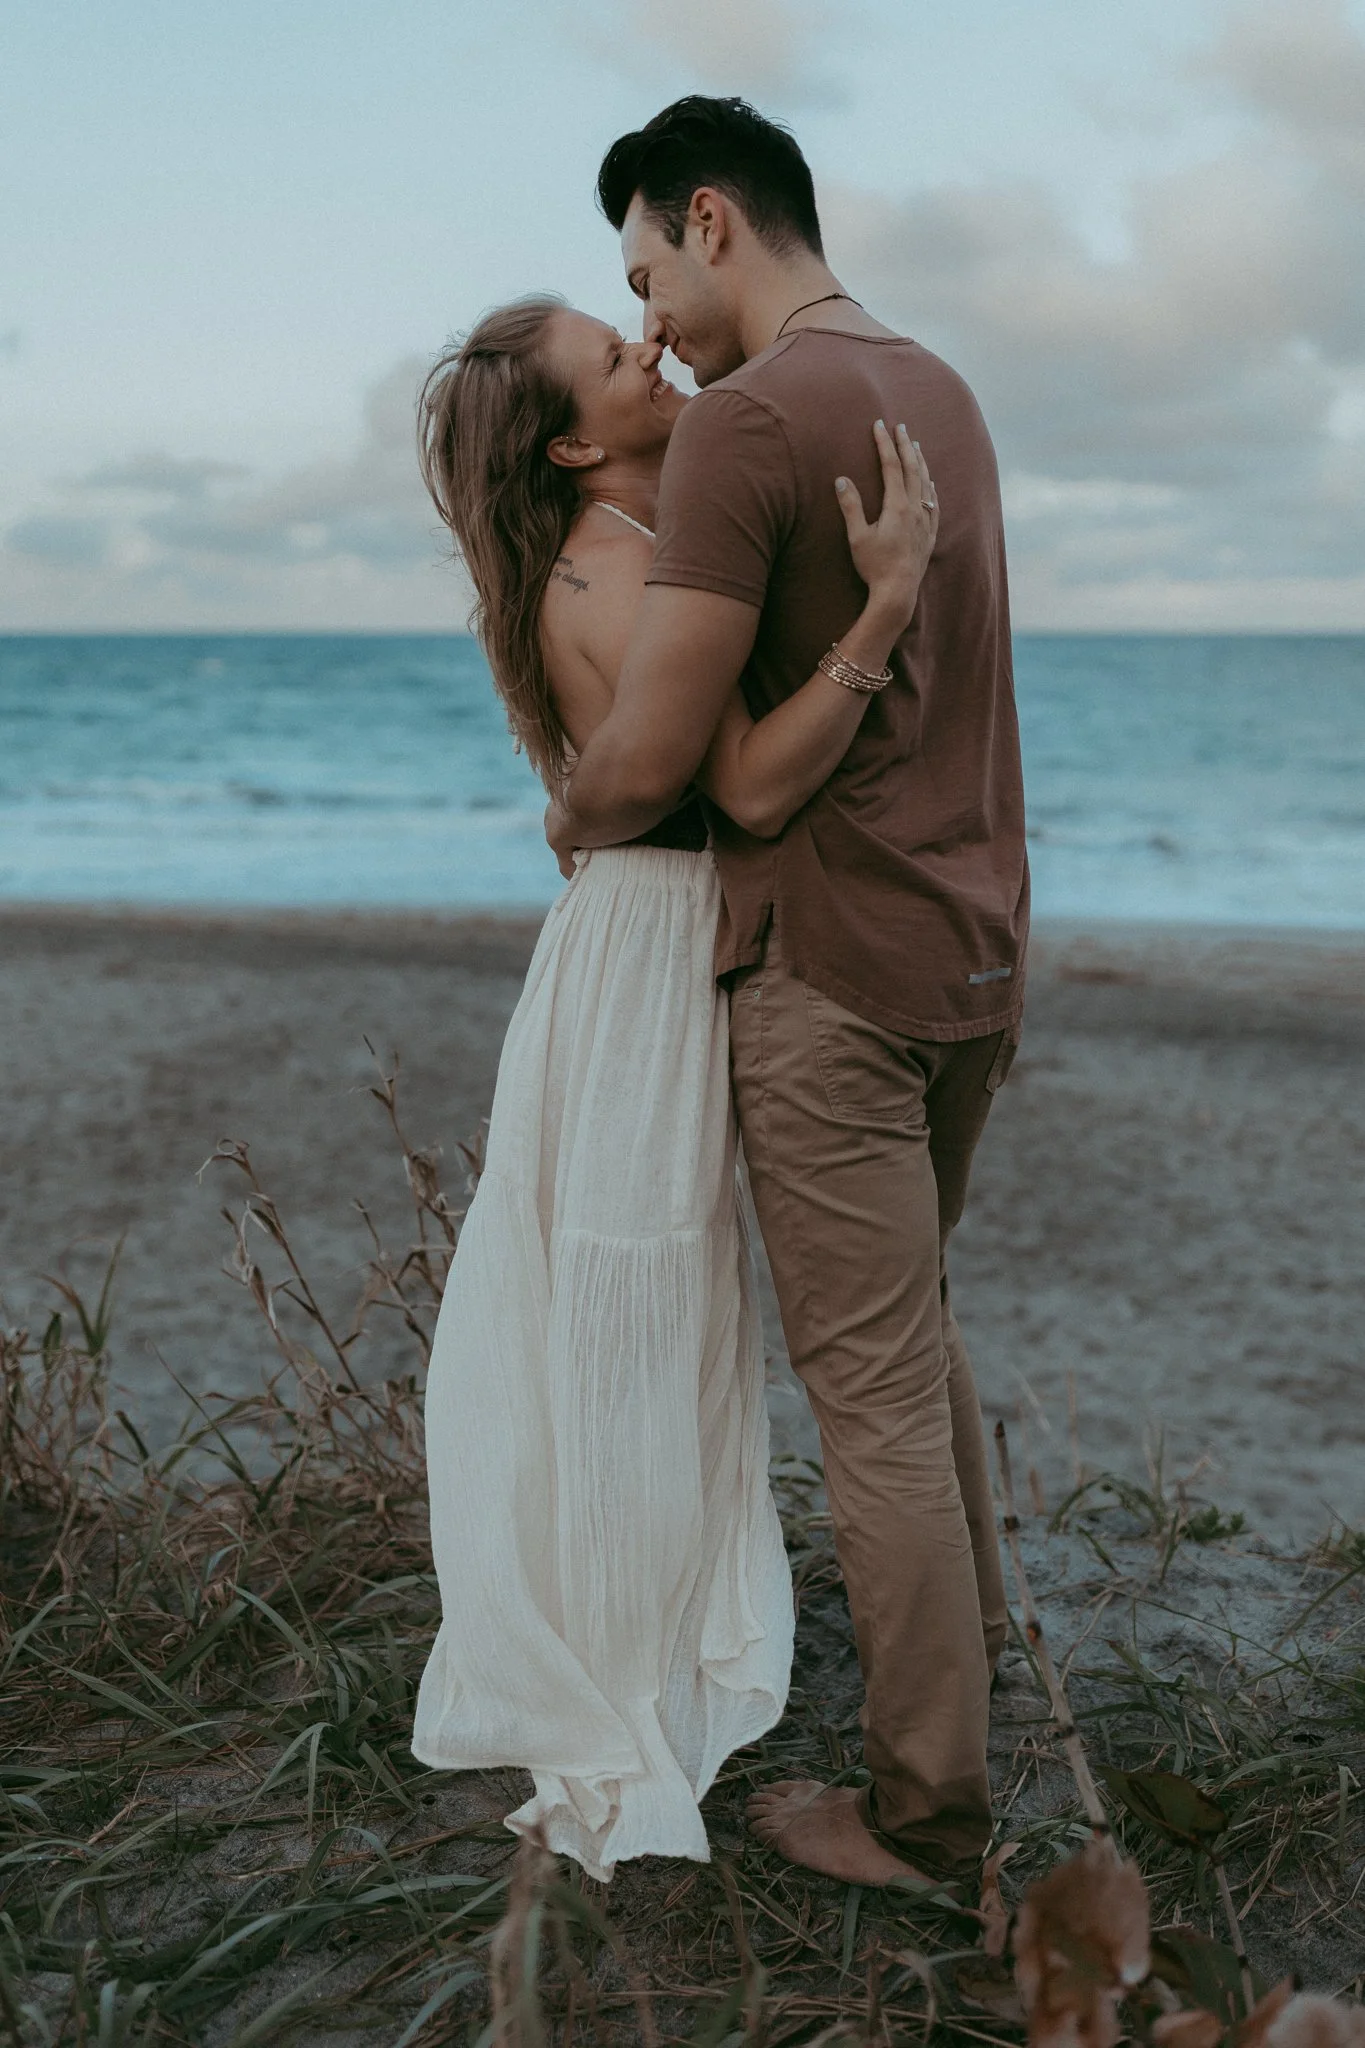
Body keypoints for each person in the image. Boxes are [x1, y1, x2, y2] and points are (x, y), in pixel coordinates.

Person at [547, 96, 1030, 1887]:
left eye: (645, 269)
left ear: (707, 218)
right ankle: (971, 1717)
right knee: (920, 1350)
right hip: (976, 947)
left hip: (828, 965)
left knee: (877, 1398)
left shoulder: (749, 424)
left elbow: (715, 775)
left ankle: (928, 1816)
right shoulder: (949, 392)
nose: (650, 315)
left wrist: (570, 805)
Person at [409, 290, 939, 1881]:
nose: (650, 353)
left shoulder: (612, 548)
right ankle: (626, 1677)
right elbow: (749, 781)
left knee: (635, 1310)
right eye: (613, 353)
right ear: (574, 439)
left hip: (631, 939)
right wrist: (884, 613)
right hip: (647, 958)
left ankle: (632, 1628)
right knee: (637, 1312)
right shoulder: (623, 564)